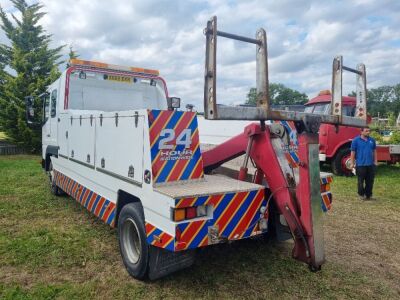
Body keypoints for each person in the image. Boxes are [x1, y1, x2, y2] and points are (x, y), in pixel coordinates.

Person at [349, 127, 377, 200]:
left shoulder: (372, 140)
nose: (368, 132)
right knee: (360, 181)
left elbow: (374, 151)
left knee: (370, 181)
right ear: (361, 132)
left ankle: (368, 195)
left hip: (370, 164)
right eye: (366, 131)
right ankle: (361, 195)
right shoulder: (355, 140)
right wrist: (352, 163)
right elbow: (353, 152)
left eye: (369, 131)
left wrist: (375, 161)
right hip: (360, 164)